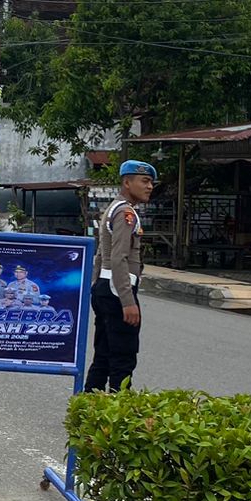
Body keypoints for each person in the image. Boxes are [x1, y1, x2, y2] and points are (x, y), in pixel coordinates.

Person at [86, 159, 154, 392]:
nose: (149, 187)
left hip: (106, 287)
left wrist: (96, 286)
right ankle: (119, 408)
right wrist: (127, 301)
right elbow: (118, 258)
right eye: (144, 181)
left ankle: (88, 404)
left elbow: (100, 254)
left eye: (151, 182)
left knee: (104, 355)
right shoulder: (126, 213)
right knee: (123, 358)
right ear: (127, 182)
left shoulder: (113, 209)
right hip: (118, 291)